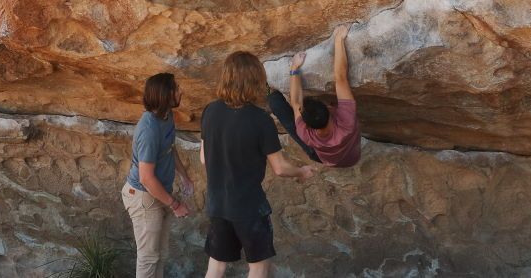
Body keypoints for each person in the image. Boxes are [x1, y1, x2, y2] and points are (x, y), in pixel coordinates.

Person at [200, 51, 316, 278]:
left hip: (218, 204)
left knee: (216, 265)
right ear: (256, 79)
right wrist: (301, 171)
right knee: (258, 267)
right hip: (249, 207)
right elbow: (280, 168)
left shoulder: (210, 111)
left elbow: (204, 158)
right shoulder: (261, 120)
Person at [122, 73, 195, 278]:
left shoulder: (167, 116)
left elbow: (170, 148)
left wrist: (184, 176)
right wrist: (175, 204)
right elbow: (146, 178)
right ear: (166, 95)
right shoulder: (149, 130)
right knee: (148, 258)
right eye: (176, 88)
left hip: (158, 193)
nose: (180, 91)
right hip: (143, 196)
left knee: (160, 255)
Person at [268, 24, 361, 168]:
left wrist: (294, 68)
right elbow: (341, 78)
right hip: (351, 157)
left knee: (274, 101)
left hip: (322, 156)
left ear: (306, 123)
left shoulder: (305, 133)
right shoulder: (346, 123)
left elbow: (296, 103)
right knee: (276, 102)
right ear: (329, 109)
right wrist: (338, 40)